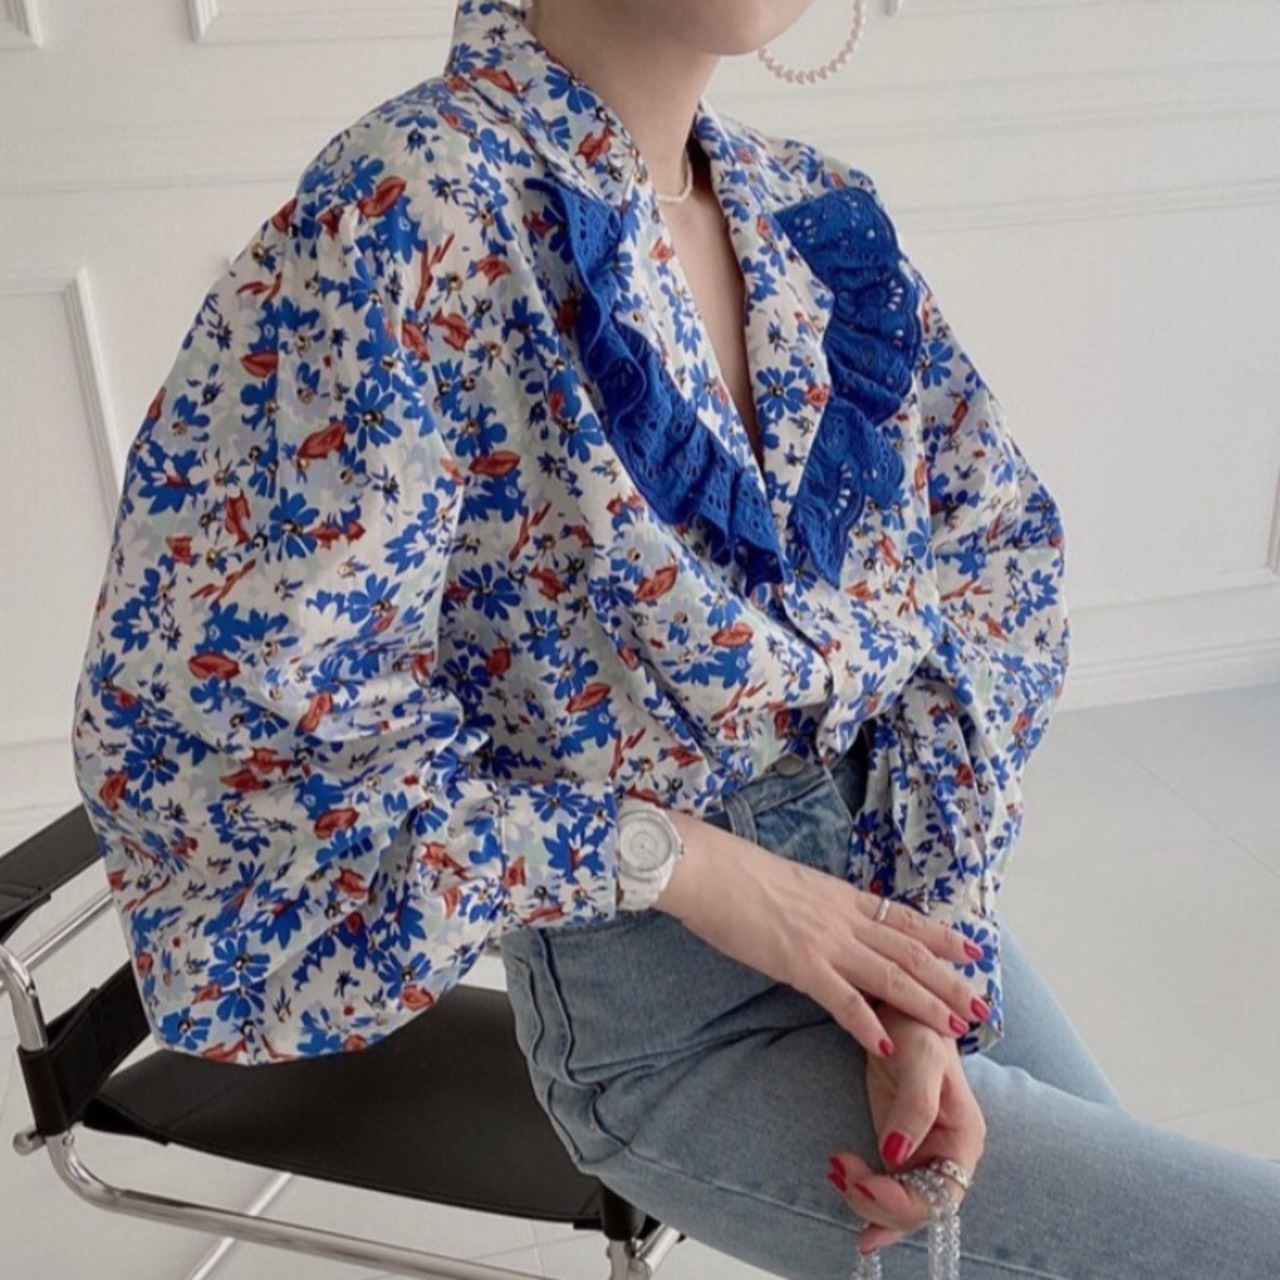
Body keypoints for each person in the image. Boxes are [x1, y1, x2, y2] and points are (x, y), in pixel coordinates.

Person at [68, 0, 1280, 1274]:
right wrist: (678, 857)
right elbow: (242, 734)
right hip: (666, 1017)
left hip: (879, 913)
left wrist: (929, 963)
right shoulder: (403, 215)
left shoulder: (806, 210)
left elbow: (976, 578)